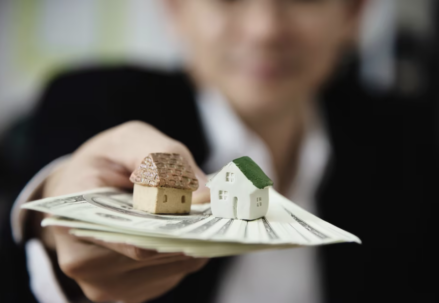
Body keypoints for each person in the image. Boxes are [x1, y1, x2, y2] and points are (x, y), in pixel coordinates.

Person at [1, 0, 438, 302]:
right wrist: (60, 220)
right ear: (176, 10)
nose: (265, 29)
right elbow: (51, 188)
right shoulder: (94, 97)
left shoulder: (410, 134)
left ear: (352, 13)